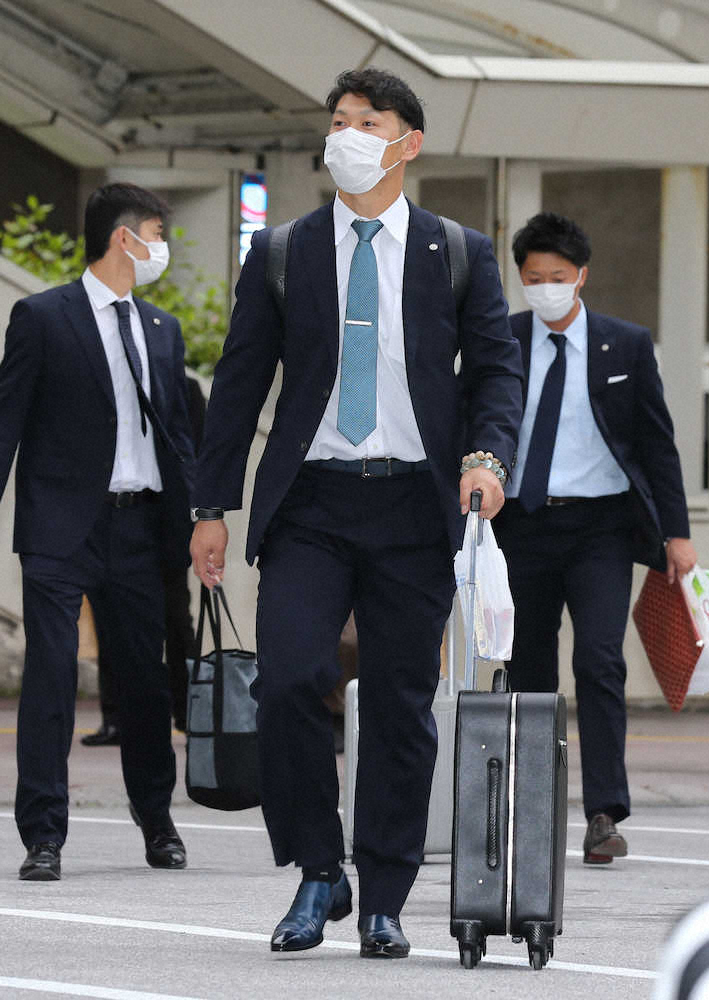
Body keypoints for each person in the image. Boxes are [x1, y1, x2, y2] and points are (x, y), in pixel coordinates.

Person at [190, 67, 523, 958]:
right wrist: (209, 504)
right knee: (293, 678)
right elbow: (239, 385)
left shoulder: (457, 253)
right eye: (336, 120)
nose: (343, 134)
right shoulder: (284, 251)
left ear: (406, 142)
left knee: (403, 707)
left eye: (364, 121)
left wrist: (487, 459)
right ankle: (316, 871)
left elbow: (495, 371)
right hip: (312, 501)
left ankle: (383, 894)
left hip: (416, 505)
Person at [0, 181, 196, 880]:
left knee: (144, 682)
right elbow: (7, 423)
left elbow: (177, 437)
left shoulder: (161, 330)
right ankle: (43, 836)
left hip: (140, 529)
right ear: (124, 238)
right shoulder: (42, 317)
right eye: (156, 234)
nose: (160, 250)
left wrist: (202, 520)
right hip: (60, 529)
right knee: (52, 680)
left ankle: (158, 823)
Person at [492, 211, 697, 865]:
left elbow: (655, 446)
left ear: (581, 276)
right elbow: (473, 429)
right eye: (532, 277)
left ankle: (603, 811)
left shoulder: (624, 344)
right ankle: (531, 807)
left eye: (557, 276)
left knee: (600, 662)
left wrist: (676, 534)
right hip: (521, 525)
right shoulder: (501, 341)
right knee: (527, 668)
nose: (545, 287)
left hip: (601, 527)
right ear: (519, 278)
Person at [82, 374, 206, 744]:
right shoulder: (102, 383)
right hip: (105, 521)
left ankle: (189, 714)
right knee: (107, 620)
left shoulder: (184, 388)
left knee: (176, 622)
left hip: (165, 526)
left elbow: (196, 453)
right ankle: (115, 719)